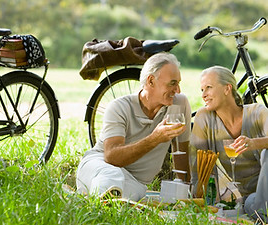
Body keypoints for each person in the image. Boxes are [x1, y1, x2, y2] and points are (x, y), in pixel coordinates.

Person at [76, 52, 191, 201]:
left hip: (135, 181)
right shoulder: (119, 107)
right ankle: (101, 204)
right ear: (150, 81)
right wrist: (154, 139)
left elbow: (181, 151)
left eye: (178, 83)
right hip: (99, 166)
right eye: (172, 83)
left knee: (131, 194)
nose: (178, 90)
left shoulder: (179, 104)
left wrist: (187, 189)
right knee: (111, 176)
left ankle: (100, 201)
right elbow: (112, 157)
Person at [190, 65, 268, 221]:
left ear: (227, 89)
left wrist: (254, 143)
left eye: (209, 88)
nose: (204, 95)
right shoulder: (204, 117)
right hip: (251, 200)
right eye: (202, 90)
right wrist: (199, 199)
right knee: (253, 204)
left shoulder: (257, 112)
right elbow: (197, 165)